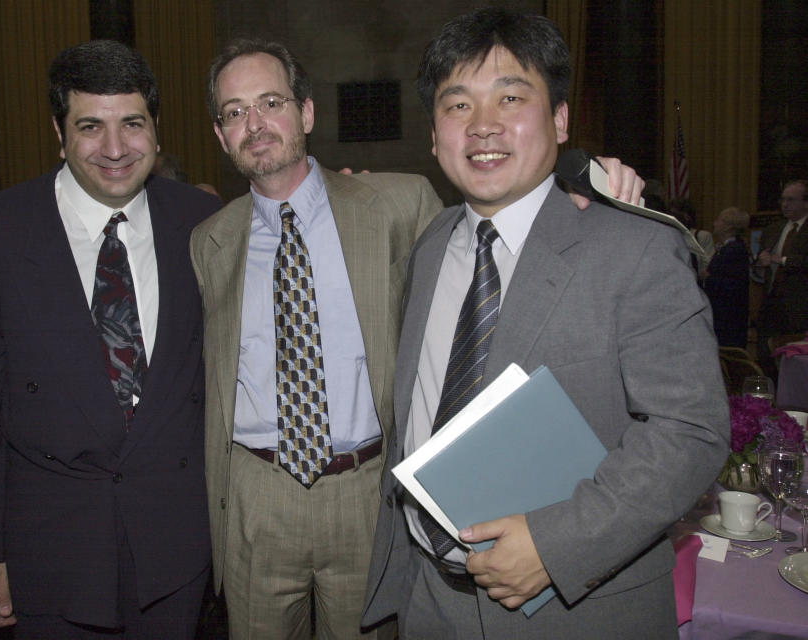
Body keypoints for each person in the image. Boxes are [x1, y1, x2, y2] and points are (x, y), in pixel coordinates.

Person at [191, 37, 643, 639]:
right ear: (221, 136)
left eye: (271, 102)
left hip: (368, 495)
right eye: (234, 111)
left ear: (306, 113)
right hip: (256, 498)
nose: (255, 123)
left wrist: (579, 181)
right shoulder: (209, 242)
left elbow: (499, 218)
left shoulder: (399, 203)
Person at [361, 8, 729, 639]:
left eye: (511, 97)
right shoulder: (431, 246)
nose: (483, 126)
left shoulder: (630, 247)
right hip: (429, 601)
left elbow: (690, 430)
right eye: (457, 105)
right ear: (433, 133)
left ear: (559, 119)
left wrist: (553, 544)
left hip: (574, 610)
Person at [0, 40, 220, 638]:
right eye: (91, 126)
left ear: (157, 130)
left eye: (132, 124)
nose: (115, 149)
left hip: (175, 547)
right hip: (48, 554)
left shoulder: (204, 224)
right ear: (59, 133)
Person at [754, 179, 808, 377]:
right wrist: (760, 264)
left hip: (799, 308)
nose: (785, 204)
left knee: (794, 363)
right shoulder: (773, 230)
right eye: (783, 199)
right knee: (766, 357)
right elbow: (761, 263)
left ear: (805, 203)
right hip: (771, 304)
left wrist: (782, 260)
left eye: (791, 200)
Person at [702, 207, 751, 348]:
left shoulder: (735, 250)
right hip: (721, 314)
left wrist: (709, 278)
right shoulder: (725, 248)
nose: (714, 223)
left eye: (719, 220)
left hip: (729, 317)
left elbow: (736, 284)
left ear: (728, 226)